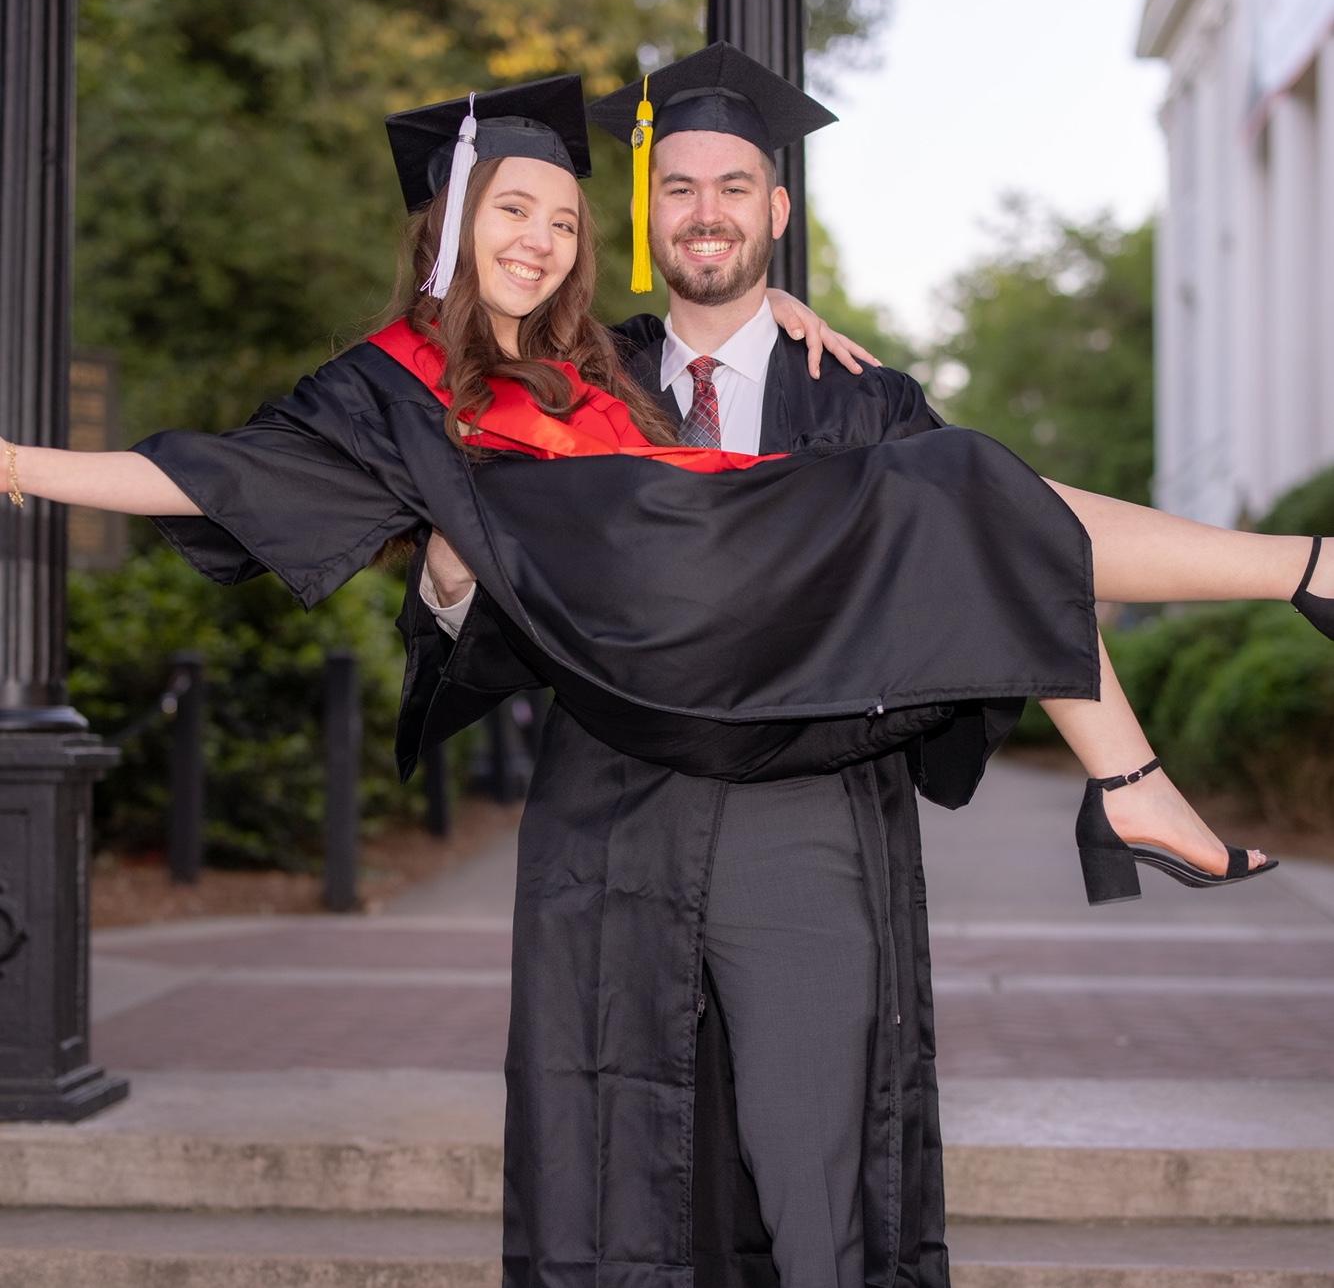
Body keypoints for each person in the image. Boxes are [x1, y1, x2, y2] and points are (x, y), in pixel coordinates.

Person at [3, 71, 1328, 1288]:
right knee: (617, 1168)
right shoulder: (550, 373)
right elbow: (238, 477)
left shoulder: (848, 393)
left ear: (776, 209)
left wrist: (779, 331)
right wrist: (448, 581)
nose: (695, 214)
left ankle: (1204, 688)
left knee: (977, 499)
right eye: (672, 188)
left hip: (804, 811)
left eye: (731, 187)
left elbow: (977, 591)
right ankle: (1204, 691)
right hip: (616, 815)